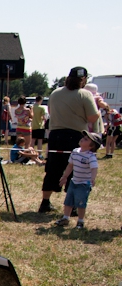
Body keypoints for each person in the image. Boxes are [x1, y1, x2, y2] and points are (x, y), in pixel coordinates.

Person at [39, 67, 99, 213]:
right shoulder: (85, 94)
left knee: (53, 168)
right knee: (75, 170)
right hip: (75, 136)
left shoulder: (55, 93)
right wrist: (99, 109)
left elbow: (51, 113)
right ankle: (71, 207)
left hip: (55, 135)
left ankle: (45, 202)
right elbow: (92, 117)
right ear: (83, 80)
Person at [54, 131, 101, 229]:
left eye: (86, 139)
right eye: (83, 137)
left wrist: (93, 178)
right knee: (68, 201)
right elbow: (70, 165)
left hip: (84, 184)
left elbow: (94, 168)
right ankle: (65, 218)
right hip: (74, 181)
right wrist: (65, 176)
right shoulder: (75, 152)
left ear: (91, 146)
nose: (82, 139)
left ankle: (80, 221)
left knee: (80, 203)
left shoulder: (90, 156)